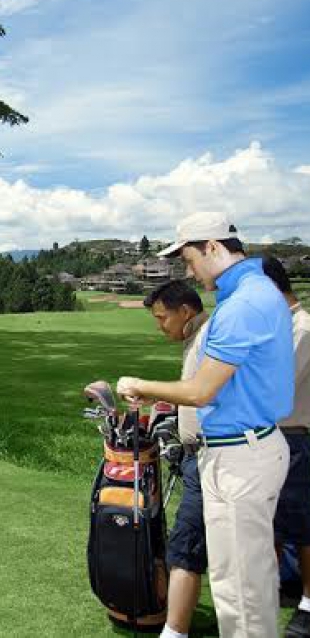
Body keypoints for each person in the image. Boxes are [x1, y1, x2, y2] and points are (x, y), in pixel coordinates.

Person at [117, 211, 294, 638]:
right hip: (236, 450)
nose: (187, 269)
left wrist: (139, 385)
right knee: (236, 582)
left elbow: (201, 391)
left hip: (241, 456)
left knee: (241, 591)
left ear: (212, 247)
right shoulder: (245, 296)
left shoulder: (244, 304)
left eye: (188, 258)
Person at [142, 280, 209, 638]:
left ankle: (174, 631)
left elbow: (201, 393)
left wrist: (144, 386)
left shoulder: (206, 338)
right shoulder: (193, 339)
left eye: (162, 317)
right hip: (195, 457)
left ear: (185, 311)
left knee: (185, 546)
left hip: (210, 458)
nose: (160, 325)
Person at [262, 257, 310, 638]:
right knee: (273, 524)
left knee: (301, 526)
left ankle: (308, 603)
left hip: (294, 436)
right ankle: (276, 586)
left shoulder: (302, 328)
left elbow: (276, 385)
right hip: (272, 438)